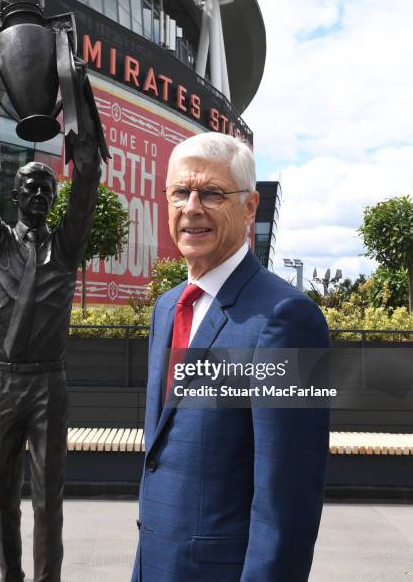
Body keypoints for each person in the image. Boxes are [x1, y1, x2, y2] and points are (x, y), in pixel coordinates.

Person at [131, 132, 330, 582]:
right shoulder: (167, 308)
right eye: (180, 192)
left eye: (213, 193)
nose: (192, 207)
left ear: (250, 207)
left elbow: (290, 498)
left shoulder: (291, 318)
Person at [0, 64, 102, 582]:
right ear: (14, 196)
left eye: (45, 190)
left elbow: (87, 175)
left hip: (47, 385)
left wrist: (75, 94)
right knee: (1, 496)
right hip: (4, 383)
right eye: (29, 188)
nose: (38, 195)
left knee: (48, 499)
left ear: (53, 201)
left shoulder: (65, 248)